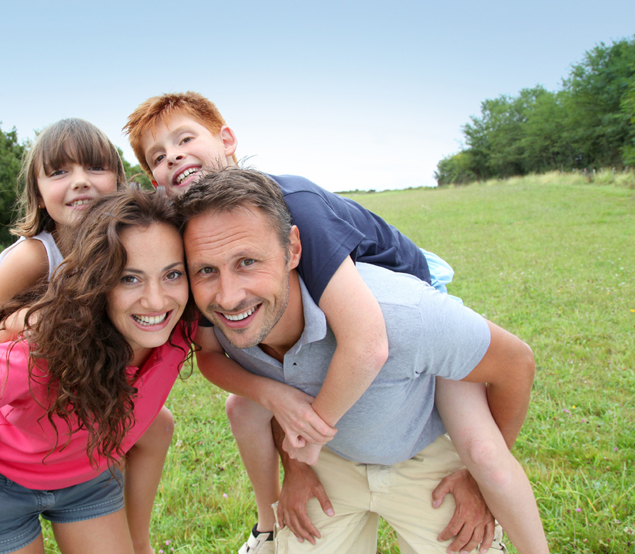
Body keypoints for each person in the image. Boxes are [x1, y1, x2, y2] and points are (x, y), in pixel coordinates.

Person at [124, 92, 530, 554]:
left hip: (412, 301)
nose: (173, 155)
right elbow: (211, 353)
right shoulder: (195, 239)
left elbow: (368, 340)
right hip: (340, 334)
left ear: (227, 139)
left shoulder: (293, 205)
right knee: (245, 405)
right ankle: (267, 526)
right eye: (158, 155)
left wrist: (309, 439)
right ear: (154, 179)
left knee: (481, 449)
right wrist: (273, 395)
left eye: (184, 138)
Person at [176, 169, 548, 553]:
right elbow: (272, 394)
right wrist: (297, 469)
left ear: (294, 249)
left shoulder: (404, 311)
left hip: (426, 466)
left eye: (248, 262)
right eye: (206, 270)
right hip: (330, 467)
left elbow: (516, 363)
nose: (228, 296)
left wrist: (476, 475)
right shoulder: (228, 330)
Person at [0, 187, 196, 554]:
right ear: (96, 284)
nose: (156, 300)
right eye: (129, 278)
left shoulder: (179, 325)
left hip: (88, 481)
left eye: (172, 275)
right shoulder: (39, 357)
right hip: (3, 493)